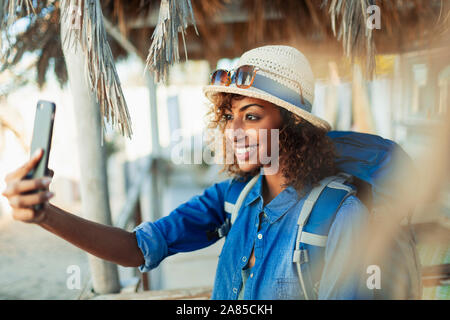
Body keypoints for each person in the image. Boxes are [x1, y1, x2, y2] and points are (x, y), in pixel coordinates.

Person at [2, 45, 372, 299]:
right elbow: (137, 248)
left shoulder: (340, 215)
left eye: (252, 116)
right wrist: (45, 215)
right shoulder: (235, 197)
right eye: (230, 116)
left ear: (292, 125)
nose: (233, 131)